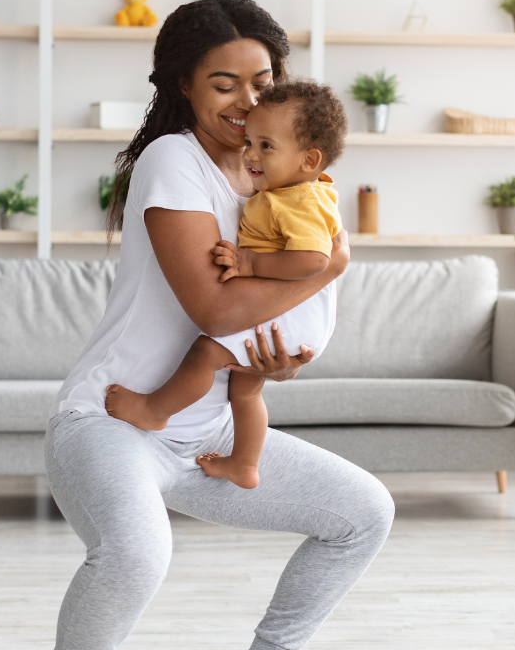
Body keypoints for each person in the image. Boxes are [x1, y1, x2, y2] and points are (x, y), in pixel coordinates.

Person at [43, 0, 395, 650]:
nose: (245, 103)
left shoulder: (276, 173)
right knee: (137, 554)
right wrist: (327, 270)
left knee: (362, 512)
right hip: (111, 421)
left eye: (261, 81)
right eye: (223, 84)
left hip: (206, 433)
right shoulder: (174, 160)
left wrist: (280, 362)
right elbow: (215, 305)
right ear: (183, 86)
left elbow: (258, 321)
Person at [104, 79, 348, 491]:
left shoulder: (300, 200)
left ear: (310, 161)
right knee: (247, 392)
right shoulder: (292, 191)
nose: (250, 154)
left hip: (290, 312)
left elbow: (315, 261)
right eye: (250, 141)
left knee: (204, 353)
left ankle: (154, 409)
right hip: (294, 315)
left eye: (265, 146)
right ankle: (244, 464)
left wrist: (250, 261)